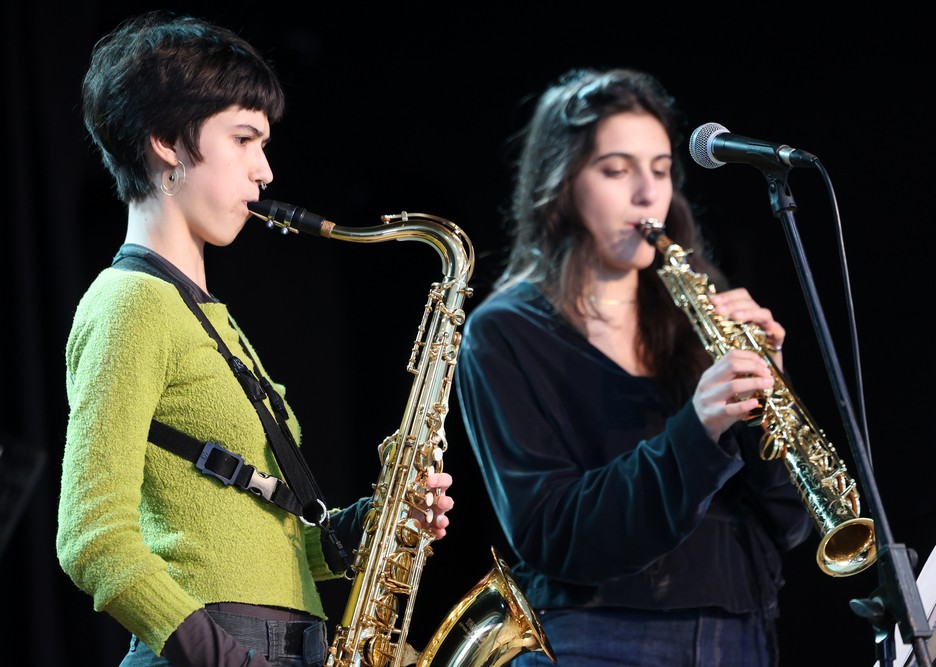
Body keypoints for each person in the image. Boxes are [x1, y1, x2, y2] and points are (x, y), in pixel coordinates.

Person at [55, 11, 454, 667]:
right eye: (244, 139)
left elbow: (266, 535)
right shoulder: (128, 302)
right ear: (164, 140)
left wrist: (376, 524)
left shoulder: (209, 317)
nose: (265, 170)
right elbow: (92, 537)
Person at [454, 67, 814, 666]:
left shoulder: (698, 304)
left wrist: (773, 398)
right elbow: (553, 533)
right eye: (617, 170)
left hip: (743, 632)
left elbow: (792, 522)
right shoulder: (505, 332)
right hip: (597, 639)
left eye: (661, 169)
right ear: (562, 184)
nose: (648, 195)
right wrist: (696, 433)